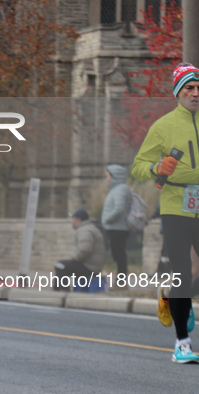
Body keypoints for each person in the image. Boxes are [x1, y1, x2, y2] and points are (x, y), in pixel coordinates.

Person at [131, 62, 199, 363]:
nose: (196, 93)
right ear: (178, 93)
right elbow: (137, 167)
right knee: (183, 270)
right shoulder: (163, 126)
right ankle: (182, 344)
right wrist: (156, 167)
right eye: (189, 89)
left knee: (186, 278)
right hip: (176, 206)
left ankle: (171, 296)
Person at [53, 209, 106, 291]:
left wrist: (74, 258)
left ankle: (63, 292)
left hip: (89, 268)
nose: (71, 221)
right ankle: (58, 292)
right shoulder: (89, 228)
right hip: (92, 266)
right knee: (61, 265)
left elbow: (85, 250)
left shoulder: (85, 230)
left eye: (73, 219)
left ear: (78, 220)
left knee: (59, 265)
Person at [101, 164, 132, 276]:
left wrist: (107, 219)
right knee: (117, 254)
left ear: (115, 176)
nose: (106, 179)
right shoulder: (116, 189)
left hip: (118, 228)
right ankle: (120, 278)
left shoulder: (120, 189)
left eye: (108, 176)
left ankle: (121, 280)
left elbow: (119, 208)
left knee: (119, 255)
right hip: (115, 227)